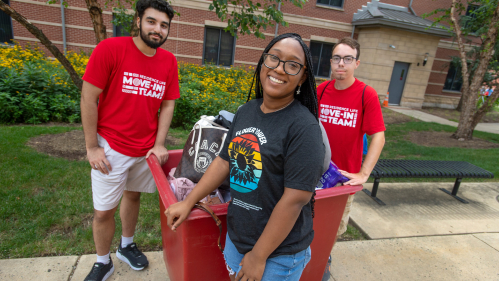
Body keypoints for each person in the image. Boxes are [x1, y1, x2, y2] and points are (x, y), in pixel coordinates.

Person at [165, 33, 325, 281]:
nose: (279, 69)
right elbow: (224, 161)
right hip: (237, 238)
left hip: (277, 253)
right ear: (263, 62)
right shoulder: (247, 111)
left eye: (292, 64)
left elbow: (295, 198)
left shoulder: (304, 127)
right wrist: (189, 202)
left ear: (303, 77)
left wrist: (259, 256)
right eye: (274, 58)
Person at [80, 0, 179, 280]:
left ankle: (126, 245)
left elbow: (168, 104)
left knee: (133, 195)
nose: (157, 29)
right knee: (102, 212)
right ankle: (103, 261)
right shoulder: (110, 49)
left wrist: (159, 144)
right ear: (138, 21)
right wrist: (92, 147)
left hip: (145, 149)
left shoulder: (168, 61)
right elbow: (89, 96)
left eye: (163, 25)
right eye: (151, 21)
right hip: (111, 147)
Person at [317, 37, 385, 276]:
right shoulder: (322, 90)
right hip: (316, 172)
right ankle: (312, 255)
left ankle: (323, 258)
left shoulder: (367, 94)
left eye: (347, 59)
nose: (341, 64)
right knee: (309, 219)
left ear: (357, 63)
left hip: (343, 178)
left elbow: (378, 136)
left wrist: (363, 173)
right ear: (331, 62)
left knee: (334, 226)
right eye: (337, 58)